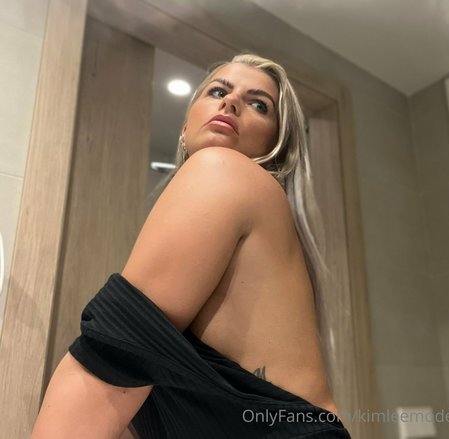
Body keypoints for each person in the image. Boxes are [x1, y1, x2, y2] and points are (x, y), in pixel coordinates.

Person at [31, 54, 352, 438]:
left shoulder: (223, 170)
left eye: (258, 104)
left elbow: (111, 366)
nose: (231, 102)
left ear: (277, 147)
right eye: (217, 91)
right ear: (185, 127)